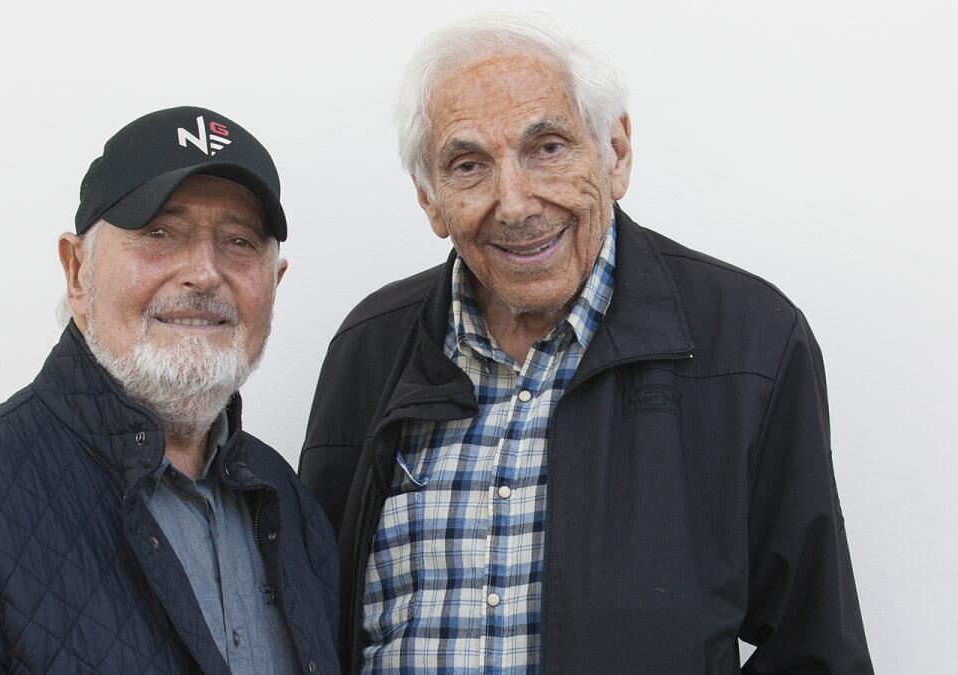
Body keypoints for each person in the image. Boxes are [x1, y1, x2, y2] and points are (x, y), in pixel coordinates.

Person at [299, 15, 873, 674]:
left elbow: (815, 650)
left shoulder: (751, 343)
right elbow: (310, 621)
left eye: (547, 147)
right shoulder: (368, 350)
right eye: (468, 165)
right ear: (430, 199)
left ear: (615, 153)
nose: (514, 204)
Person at [0, 106, 339, 675]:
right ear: (76, 271)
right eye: (159, 233)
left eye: (240, 241)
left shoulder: (289, 505)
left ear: (275, 281)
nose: (204, 271)